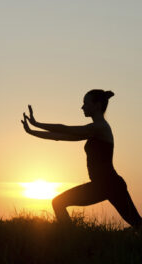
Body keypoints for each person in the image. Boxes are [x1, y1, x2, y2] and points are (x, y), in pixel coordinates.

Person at [21, 89, 142, 228]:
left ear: (97, 105)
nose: (82, 107)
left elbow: (65, 129)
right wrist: (31, 131)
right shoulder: (93, 131)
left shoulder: (100, 127)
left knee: (138, 224)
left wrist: (37, 124)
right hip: (101, 185)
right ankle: (73, 238)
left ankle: (73, 238)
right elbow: (59, 137)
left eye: (85, 103)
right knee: (58, 203)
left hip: (111, 185)